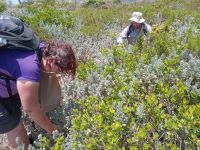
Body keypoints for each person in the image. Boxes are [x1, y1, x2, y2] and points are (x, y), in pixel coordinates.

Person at [0, 39, 77, 149]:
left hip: (5, 83)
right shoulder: (30, 69)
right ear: (51, 60)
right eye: (60, 70)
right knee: (14, 127)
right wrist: (52, 129)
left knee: (16, 116)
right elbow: (31, 109)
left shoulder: (40, 46)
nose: (59, 73)